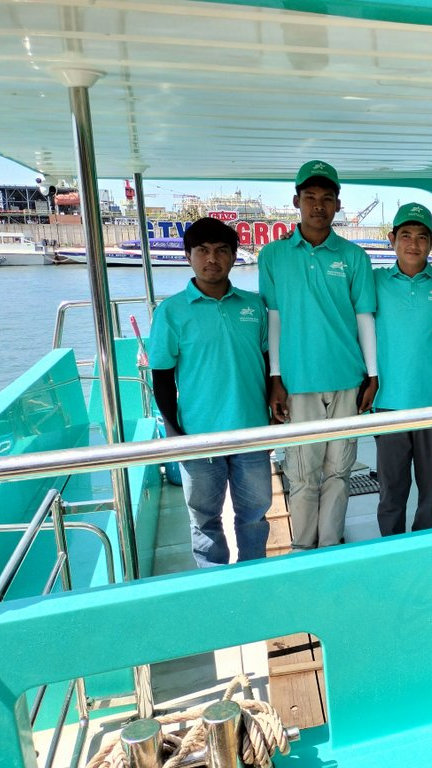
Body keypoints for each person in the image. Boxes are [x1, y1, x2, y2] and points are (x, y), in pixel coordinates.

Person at [258, 160, 378, 549]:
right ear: (296, 201)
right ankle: (302, 548)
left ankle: (330, 545)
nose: (318, 206)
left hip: (347, 377)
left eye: (327, 198)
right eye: (310, 197)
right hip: (298, 380)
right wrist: (275, 377)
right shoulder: (273, 256)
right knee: (302, 473)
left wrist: (372, 374)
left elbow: (364, 318)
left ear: (338, 204)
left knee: (339, 471)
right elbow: (273, 317)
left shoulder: (354, 256)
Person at [148, 217, 272, 567]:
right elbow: (161, 377)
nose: (211, 259)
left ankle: (253, 575)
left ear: (234, 256)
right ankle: (213, 580)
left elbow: (266, 363)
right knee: (205, 519)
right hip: (198, 435)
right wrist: (174, 431)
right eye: (202, 251)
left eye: (221, 251)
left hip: (251, 431)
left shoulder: (254, 306)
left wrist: (271, 423)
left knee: (254, 515)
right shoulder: (171, 312)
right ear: (188, 256)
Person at [373, 203, 432, 536]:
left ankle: (425, 552)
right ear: (392, 239)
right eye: (405, 235)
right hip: (388, 404)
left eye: (422, 237)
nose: (413, 244)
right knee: (391, 493)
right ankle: (392, 552)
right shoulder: (373, 280)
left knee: (431, 495)